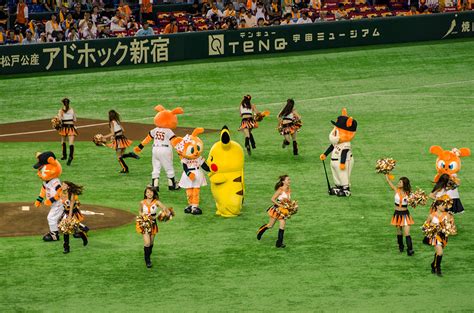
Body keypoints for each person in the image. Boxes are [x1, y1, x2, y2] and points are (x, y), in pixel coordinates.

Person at [136, 186, 171, 268]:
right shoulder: (142, 202)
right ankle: (147, 260)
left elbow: (166, 209)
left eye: (151, 192)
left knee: (151, 243)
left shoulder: (157, 202)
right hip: (144, 223)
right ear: (145, 193)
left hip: (153, 223)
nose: (149, 193)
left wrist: (163, 215)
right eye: (148, 192)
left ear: (154, 193)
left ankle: (148, 255)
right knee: (147, 243)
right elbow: (140, 211)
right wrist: (142, 215)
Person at [256, 175, 293, 248]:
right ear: (283, 181)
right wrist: (281, 205)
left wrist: (290, 206)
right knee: (270, 225)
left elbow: (287, 200)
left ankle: (279, 243)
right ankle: (260, 231)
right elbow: (272, 199)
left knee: (282, 225)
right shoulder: (280, 190)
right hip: (277, 210)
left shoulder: (288, 189)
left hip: (283, 211)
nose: (289, 181)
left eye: (289, 180)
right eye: (288, 180)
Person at [424, 196, 456, 276]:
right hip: (435, 236)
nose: (444, 206)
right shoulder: (432, 215)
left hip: (444, 236)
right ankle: (438, 269)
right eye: (442, 205)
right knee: (440, 252)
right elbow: (425, 225)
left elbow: (451, 224)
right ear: (437, 206)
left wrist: (451, 222)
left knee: (438, 252)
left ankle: (433, 265)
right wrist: (432, 225)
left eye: (444, 205)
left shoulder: (447, 215)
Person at [385, 174, 414, 256]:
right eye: (399, 182)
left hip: (405, 214)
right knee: (399, 232)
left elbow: (414, 201)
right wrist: (386, 173)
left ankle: (410, 249)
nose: (398, 183)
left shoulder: (409, 193)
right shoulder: (396, 190)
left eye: (400, 182)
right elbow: (388, 181)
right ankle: (401, 246)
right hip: (397, 214)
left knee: (407, 233)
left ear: (404, 184)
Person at [59, 181, 88, 254]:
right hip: (66, 212)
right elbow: (64, 205)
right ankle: (66, 248)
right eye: (62, 184)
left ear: (68, 187)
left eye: (64, 185)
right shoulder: (61, 193)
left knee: (76, 229)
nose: (62, 186)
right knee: (65, 230)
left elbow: (71, 207)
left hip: (73, 213)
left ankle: (83, 235)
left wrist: (69, 217)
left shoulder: (71, 194)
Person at [57, 98, 78, 166]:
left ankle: (64, 156)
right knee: (71, 143)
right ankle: (71, 156)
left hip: (64, 127)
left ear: (63, 103)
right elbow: (75, 120)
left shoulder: (61, 111)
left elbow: (59, 120)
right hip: (71, 127)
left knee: (63, 141)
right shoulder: (72, 110)